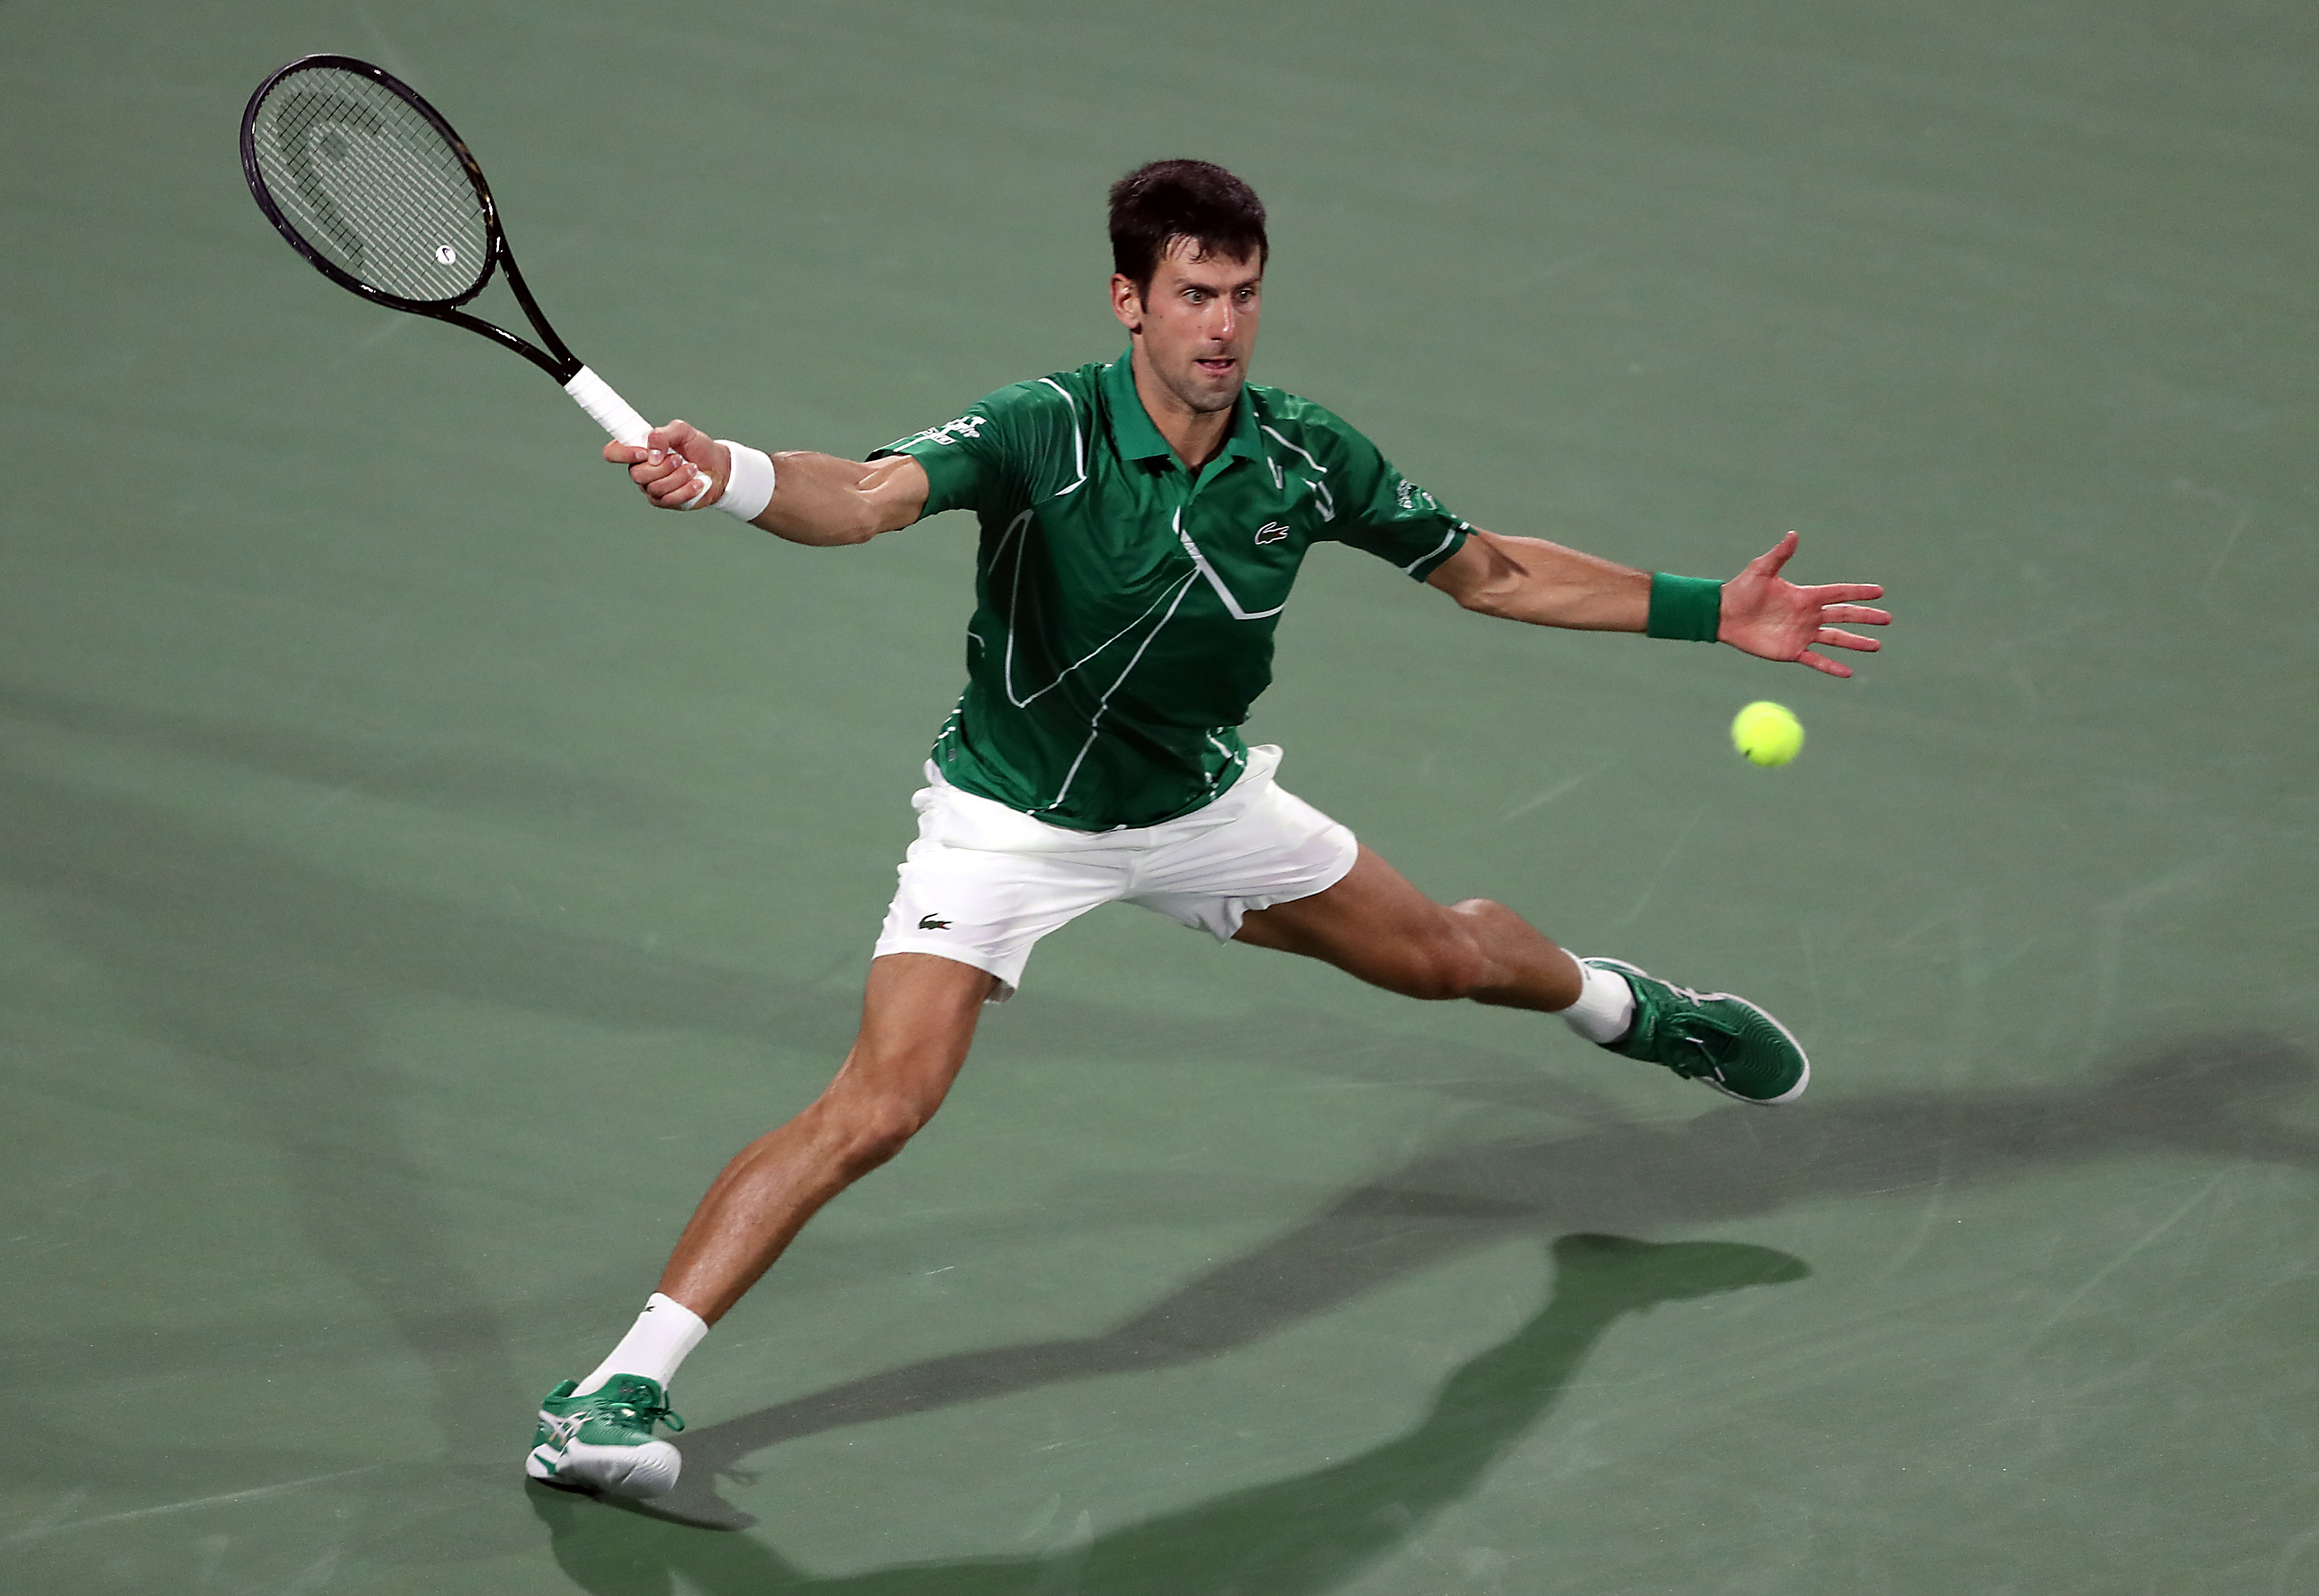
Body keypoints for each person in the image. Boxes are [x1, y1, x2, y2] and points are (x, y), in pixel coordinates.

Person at [525, 159, 1889, 1498]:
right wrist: (742, 477)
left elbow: (1495, 573)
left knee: (1444, 960)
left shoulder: (1304, 453)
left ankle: (1633, 1011)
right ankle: (614, 1392)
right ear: (1131, 299)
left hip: (1198, 804)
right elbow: (869, 498)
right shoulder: (1037, 428)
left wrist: (1711, 608)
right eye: (1194, 295)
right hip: (1013, 819)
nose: (1224, 326)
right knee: (881, 1104)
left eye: (1243, 295)